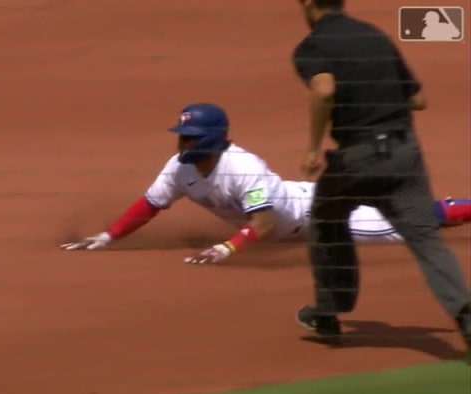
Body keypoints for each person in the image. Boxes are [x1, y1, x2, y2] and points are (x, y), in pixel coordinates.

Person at [60, 103, 470, 262]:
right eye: (181, 136)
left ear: (212, 139)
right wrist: (109, 236)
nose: (182, 143)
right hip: (297, 206)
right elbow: (150, 205)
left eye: (189, 137)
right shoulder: (179, 168)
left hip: (314, 214)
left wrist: (226, 246)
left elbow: (264, 223)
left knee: (413, 223)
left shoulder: (243, 168)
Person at [291, 0, 469, 354]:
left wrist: (313, 148)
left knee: (326, 218)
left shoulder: (313, 45)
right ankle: (467, 317)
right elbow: (417, 99)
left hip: (356, 156)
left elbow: (323, 89)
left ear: (309, 4)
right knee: (426, 239)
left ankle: (328, 313)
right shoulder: (376, 36)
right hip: (405, 154)